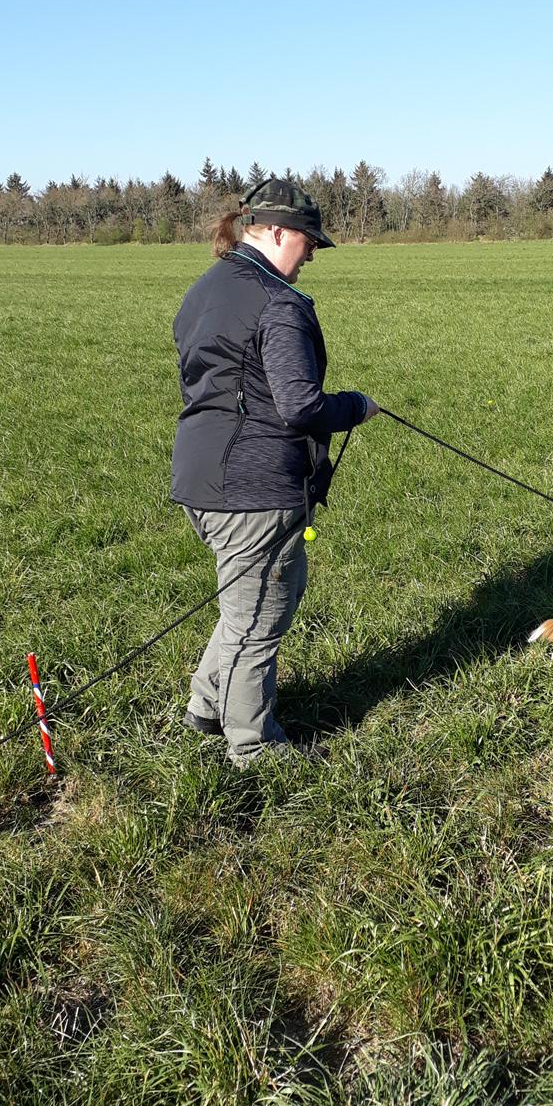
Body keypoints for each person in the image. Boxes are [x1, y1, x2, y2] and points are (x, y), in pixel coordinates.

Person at [171, 176, 378, 765]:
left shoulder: (206, 288)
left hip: (200, 475)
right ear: (279, 233)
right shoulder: (278, 305)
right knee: (259, 613)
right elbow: (300, 405)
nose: (312, 252)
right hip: (253, 486)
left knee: (250, 600)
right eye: (308, 240)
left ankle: (207, 704)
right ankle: (253, 744)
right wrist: (356, 407)